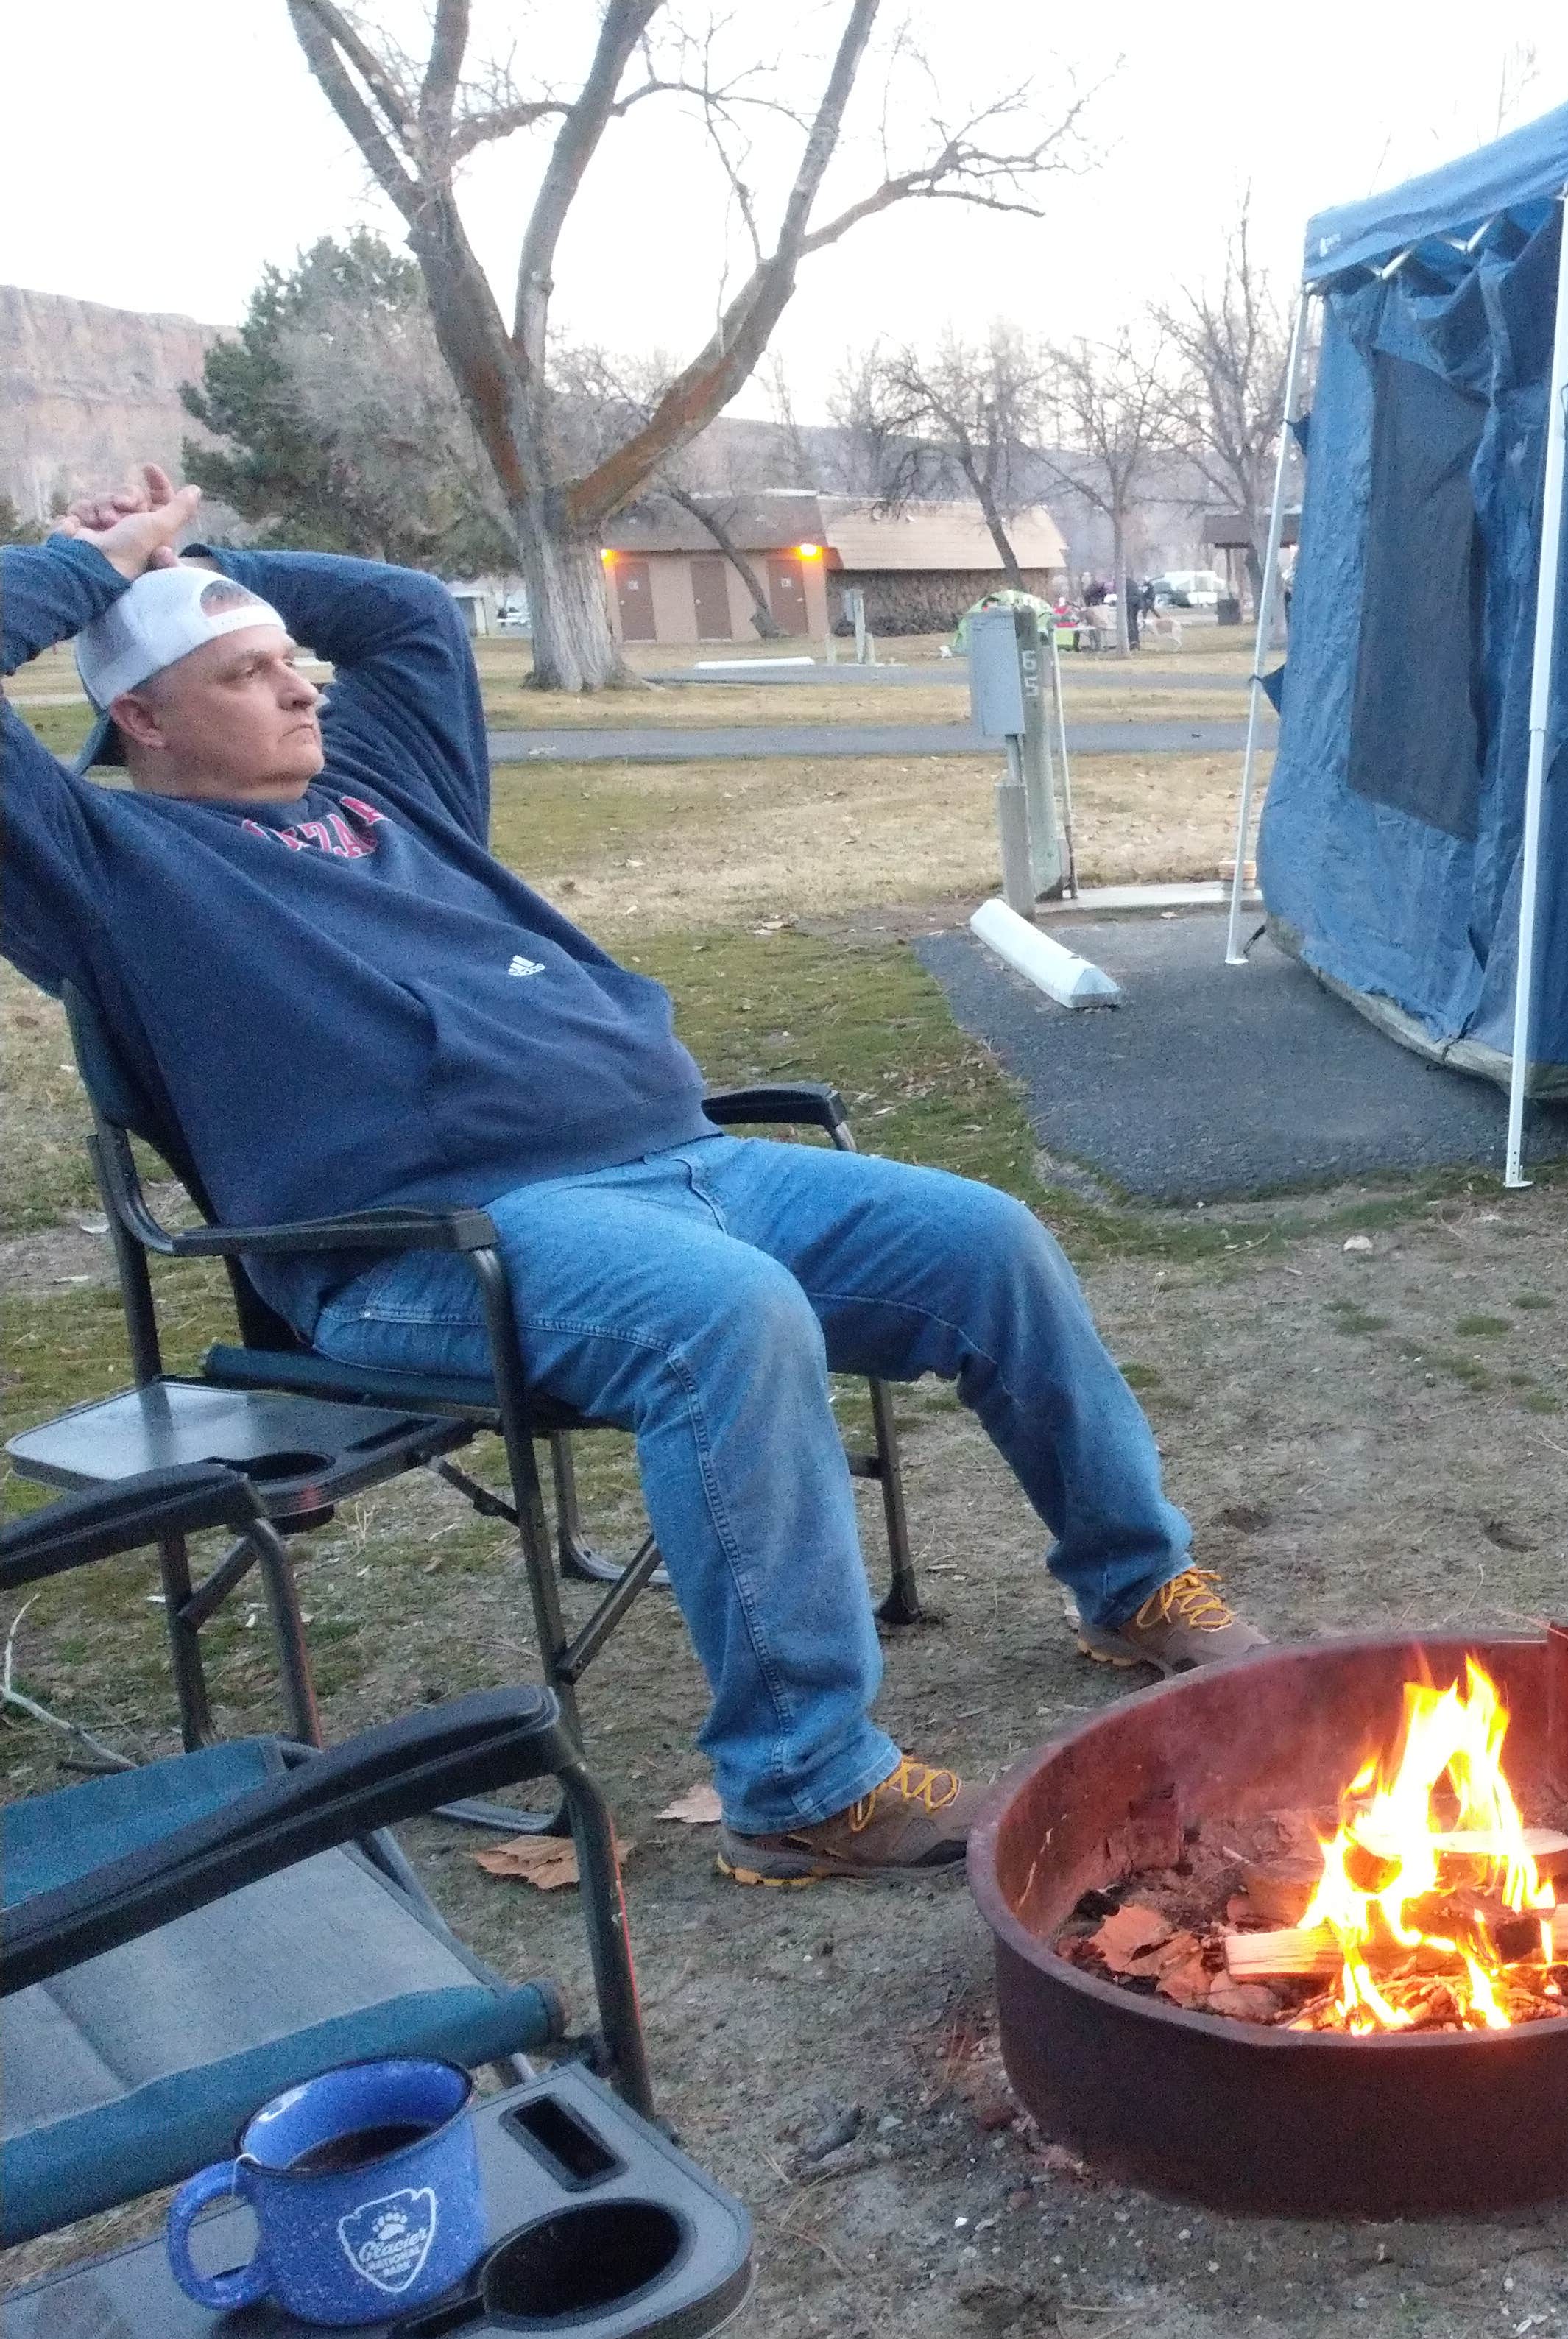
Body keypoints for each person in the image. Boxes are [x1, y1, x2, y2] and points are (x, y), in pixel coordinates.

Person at [1, 468, 1265, 1887]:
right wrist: (93, 565)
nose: (302, 690)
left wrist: (207, 555)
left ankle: (1137, 1585)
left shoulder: (381, 790)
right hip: (431, 1248)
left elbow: (413, 615)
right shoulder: (102, 864)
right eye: (248, 675)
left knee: (985, 1238)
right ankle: (803, 1790)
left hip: (689, 1162)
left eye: (293, 661)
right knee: (725, 1316)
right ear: (142, 718)